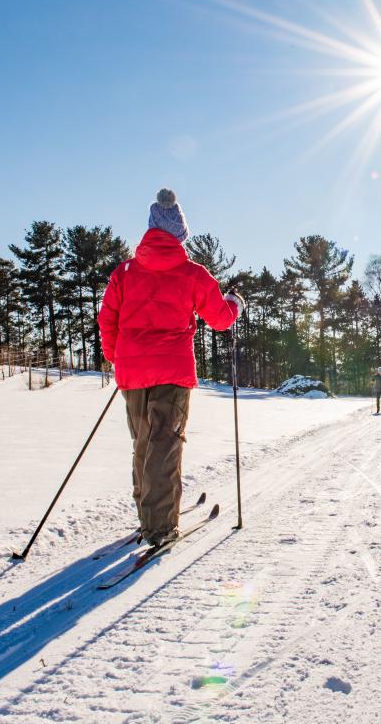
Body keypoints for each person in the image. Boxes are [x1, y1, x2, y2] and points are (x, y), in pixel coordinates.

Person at [98, 188, 244, 547]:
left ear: (151, 230)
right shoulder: (191, 273)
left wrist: (121, 358)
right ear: (180, 234)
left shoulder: (125, 272)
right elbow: (221, 319)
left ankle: (148, 517)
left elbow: (108, 320)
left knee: (143, 444)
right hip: (172, 372)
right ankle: (160, 527)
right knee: (165, 444)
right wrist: (234, 304)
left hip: (133, 373)